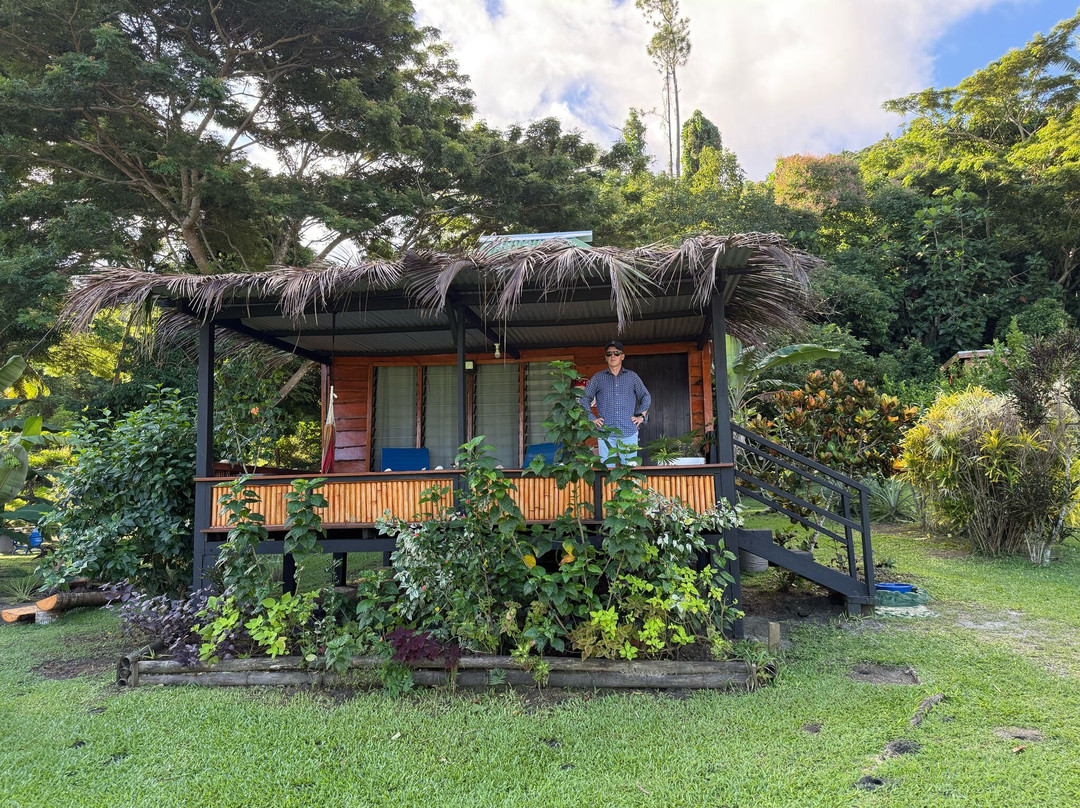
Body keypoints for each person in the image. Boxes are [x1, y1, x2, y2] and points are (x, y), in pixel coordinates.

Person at [578, 340, 652, 465]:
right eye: (609, 354)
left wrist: (641, 415)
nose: (612, 356)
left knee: (630, 469)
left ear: (622, 356)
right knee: (607, 470)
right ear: (605, 357)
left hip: (628, 431)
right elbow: (584, 398)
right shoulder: (598, 378)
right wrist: (592, 418)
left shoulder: (632, 377)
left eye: (616, 353)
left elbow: (646, 396)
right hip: (606, 433)